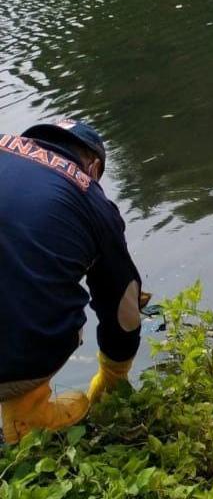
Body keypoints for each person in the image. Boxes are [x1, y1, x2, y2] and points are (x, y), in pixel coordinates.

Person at [1, 119, 143, 443]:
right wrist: (113, 373)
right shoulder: (89, 198)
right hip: (19, 353)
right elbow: (124, 305)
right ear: (92, 167)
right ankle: (27, 418)